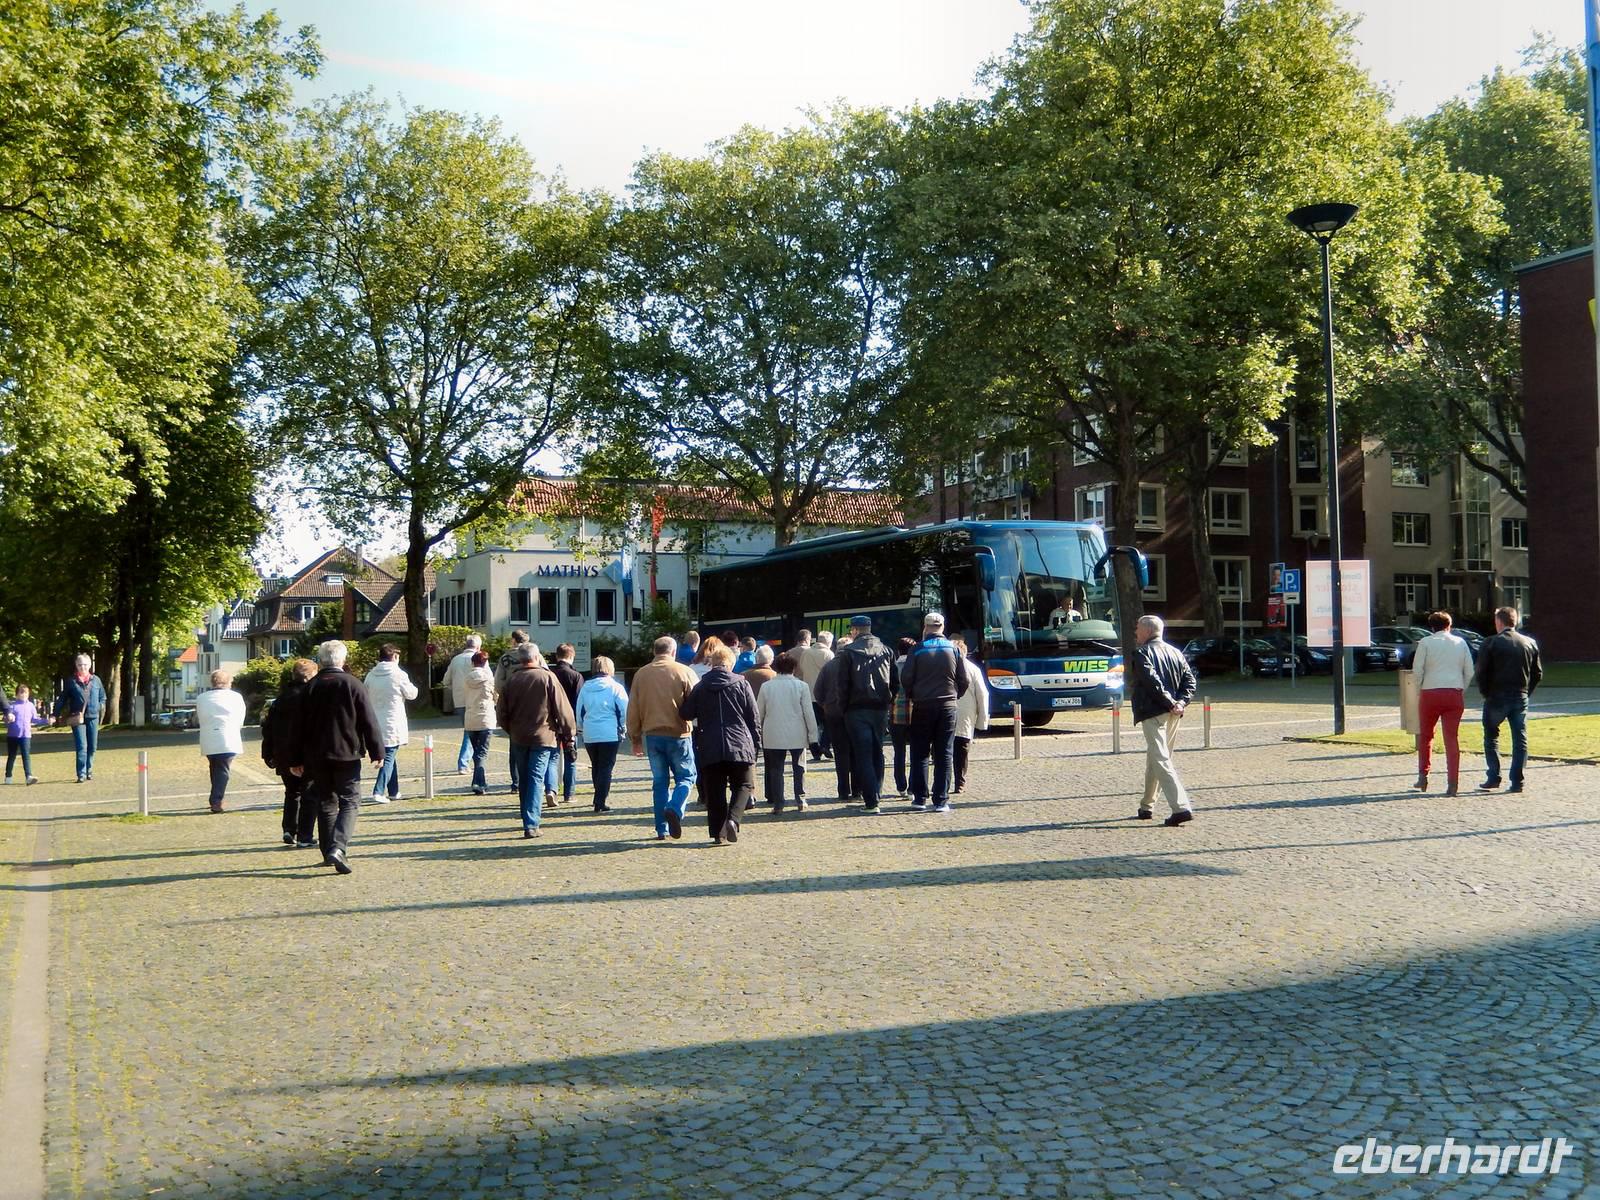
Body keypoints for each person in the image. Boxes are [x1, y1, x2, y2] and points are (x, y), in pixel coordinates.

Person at [288, 641, 384, 874]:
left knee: (326, 802)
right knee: (350, 800)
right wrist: (377, 750)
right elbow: (368, 719)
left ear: (321, 660)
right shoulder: (352, 684)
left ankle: (328, 852)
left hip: (316, 754)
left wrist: (295, 758)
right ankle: (338, 847)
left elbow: (297, 726)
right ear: (342, 659)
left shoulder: (310, 687)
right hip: (347, 752)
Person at [680, 643, 761, 844]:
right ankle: (733, 820)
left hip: (710, 744)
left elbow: (686, 713)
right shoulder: (741, 684)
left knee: (714, 790)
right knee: (744, 784)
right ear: (731, 664)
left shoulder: (701, 687)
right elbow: (753, 717)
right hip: (739, 743)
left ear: (712, 664)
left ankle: (718, 833)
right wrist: (756, 745)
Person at [496, 643, 575, 838]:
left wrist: (511, 730)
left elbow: (501, 713)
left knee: (525, 779)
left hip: (519, 737)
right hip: (544, 736)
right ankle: (531, 823)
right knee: (535, 778)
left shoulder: (512, 680)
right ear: (537, 657)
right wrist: (569, 734)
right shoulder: (547, 677)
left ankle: (527, 818)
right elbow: (563, 710)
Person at [626, 636, 700, 840]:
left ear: (654, 651)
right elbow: (697, 702)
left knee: (659, 782)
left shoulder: (641, 674)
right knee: (686, 777)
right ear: (673, 652)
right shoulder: (684, 672)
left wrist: (635, 738)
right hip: (679, 734)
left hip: (653, 735)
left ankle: (661, 828)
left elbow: (633, 709)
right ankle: (674, 808)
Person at [1130, 615, 1197, 825]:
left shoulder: (1142, 653)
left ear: (1147, 631)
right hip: (1173, 713)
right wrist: (1180, 703)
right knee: (1156, 758)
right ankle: (1146, 806)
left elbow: (1152, 682)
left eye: (1138, 628)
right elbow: (1190, 681)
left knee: (1160, 760)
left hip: (1153, 712)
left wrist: (1171, 702)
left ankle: (1181, 807)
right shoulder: (1176, 652)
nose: (1135, 632)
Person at [900, 613, 968, 813]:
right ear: (942, 627)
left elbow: (906, 678)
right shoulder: (954, 649)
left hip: (922, 705)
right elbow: (964, 679)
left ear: (925, 627)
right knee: (944, 752)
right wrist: (955, 695)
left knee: (920, 752)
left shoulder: (917, 649)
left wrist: (913, 695)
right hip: (947, 706)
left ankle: (920, 798)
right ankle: (941, 800)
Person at [1475, 605, 1543, 795]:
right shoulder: (1530, 643)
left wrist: (1486, 693)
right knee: (1520, 738)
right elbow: (1537, 673)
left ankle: (1494, 776)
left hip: (1496, 695)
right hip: (1520, 695)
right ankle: (1517, 781)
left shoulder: (1490, 643)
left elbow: (1481, 672)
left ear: (1498, 621)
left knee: (1491, 736)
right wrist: (1526, 692)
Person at [835, 615, 896, 813]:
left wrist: (843, 708)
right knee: (878, 751)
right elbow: (895, 682)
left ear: (854, 630)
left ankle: (871, 800)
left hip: (856, 709)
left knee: (863, 754)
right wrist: (888, 701)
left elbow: (842, 685)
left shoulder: (848, 653)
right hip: (880, 708)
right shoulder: (886, 650)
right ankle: (876, 791)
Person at [1409, 611, 1473, 796]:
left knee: (1426, 736)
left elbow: (1417, 670)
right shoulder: (1460, 643)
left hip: (1430, 692)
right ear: (1449, 625)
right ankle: (1453, 782)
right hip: (1454, 692)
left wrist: (1421, 688)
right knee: (1451, 738)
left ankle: (1423, 775)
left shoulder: (1425, 643)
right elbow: (1469, 670)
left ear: (1431, 627)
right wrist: (1461, 688)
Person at [261, 658, 318, 846]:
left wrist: (268, 753)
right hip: (306, 752)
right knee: (309, 793)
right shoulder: (311, 697)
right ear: (311, 675)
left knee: (292, 792)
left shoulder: (281, 698)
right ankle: (304, 835)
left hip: (283, 753)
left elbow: (268, 728)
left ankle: (288, 828)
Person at [755, 651, 817, 813]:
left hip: (773, 733)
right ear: (794, 668)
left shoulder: (766, 687)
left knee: (776, 770)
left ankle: (778, 803)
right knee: (799, 767)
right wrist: (813, 737)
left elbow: (759, 713)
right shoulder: (802, 686)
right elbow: (809, 714)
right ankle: (800, 798)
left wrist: (757, 734)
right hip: (797, 732)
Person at [364, 644, 418, 803]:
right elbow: (411, 694)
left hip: (375, 720)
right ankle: (378, 791)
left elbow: (365, 694)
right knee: (389, 756)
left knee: (390, 756)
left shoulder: (371, 675)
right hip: (393, 721)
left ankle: (394, 791)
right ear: (394, 657)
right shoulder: (399, 674)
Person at [576, 657, 629, 812]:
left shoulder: (585, 687)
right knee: (606, 767)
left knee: (596, 765)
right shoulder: (616, 687)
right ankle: (600, 801)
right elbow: (624, 710)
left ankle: (597, 796)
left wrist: (581, 727)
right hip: (610, 732)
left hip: (590, 732)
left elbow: (579, 710)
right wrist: (623, 726)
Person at [196, 668, 246, 813]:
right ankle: (216, 801)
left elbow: (200, 717)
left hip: (208, 738)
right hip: (228, 737)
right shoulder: (235, 697)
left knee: (215, 767)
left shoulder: (202, 698)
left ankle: (216, 798)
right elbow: (240, 718)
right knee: (223, 770)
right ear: (229, 682)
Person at [54, 654, 107, 783]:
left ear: (90, 665)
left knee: (92, 746)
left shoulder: (96, 680)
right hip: (77, 718)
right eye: (79, 665)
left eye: (85, 664)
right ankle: (81, 773)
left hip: (93, 717)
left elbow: (103, 697)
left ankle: (89, 769)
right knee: (82, 746)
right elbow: (62, 698)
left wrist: (99, 706)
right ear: (76, 666)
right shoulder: (71, 681)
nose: (82, 667)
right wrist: (55, 714)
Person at [812, 649, 856, 802]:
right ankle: (857, 789)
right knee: (855, 751)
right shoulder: (854, 664)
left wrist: (825, 705)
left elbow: (817, 691)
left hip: (833, 713)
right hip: (853, 712)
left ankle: (843, 790)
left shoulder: (828, 666)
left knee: (840, 753)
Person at [951, 636, 990, 794]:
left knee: (943, 751)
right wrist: (982, 720)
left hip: (945, 714)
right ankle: (959, 782)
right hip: (965, 717)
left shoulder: (944, 667)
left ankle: (943, 783)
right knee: (962, 751)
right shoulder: (973, 669)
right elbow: (982, 695)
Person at [547, 644, 584, 807]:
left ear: (557, 656)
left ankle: (551, 790)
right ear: (572, 656)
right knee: (571, 758)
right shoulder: (576, 676)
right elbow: (579, 702)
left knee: (551, 758)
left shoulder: (549, 674)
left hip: (551, 722)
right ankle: (569, 794)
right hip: (570, 722)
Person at [443, 634, 483, 774]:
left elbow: (446, 681)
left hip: (460, 701)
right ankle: (464, 762)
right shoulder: (479, 659)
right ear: (478, 646)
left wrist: (455, 689)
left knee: (469, 730)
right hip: (476, 699)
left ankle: (468, 762)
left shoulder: (456, 660)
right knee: (472, 731)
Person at [793, 629, 834, 761]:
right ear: (829, 642)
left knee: (812, 725)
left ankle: (815, 751)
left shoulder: (806, 653)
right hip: (825, 695)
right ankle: (825, 744)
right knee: (829, 722)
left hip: (809, 693)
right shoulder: (829, 654)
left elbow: (802, 669)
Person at [463, 650, 498, 795]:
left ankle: (477, 782)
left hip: (470, 718)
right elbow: (496, 696)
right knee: (482, 753)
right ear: (485, 663)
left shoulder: (466, 678)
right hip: (486, 718)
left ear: (472, 663)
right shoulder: (489, 679)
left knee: (477, 752)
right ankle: (479, 784)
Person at [4, 684, 48, 785]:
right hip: (13, 736)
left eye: (26, 693)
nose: (24, 695)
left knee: (26, 756)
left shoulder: (31, 706)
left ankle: (29, 776)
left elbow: (34, 719)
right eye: (21, 693)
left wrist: (46, 721)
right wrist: (8, 718)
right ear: (17, 694)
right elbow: (6, 719)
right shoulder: (12, 706)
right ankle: (8, 776)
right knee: (12, 756)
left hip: (26, 735)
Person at [889, 637, 916, 798]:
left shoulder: (891, 667)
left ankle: (901, 786)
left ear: (898, 651)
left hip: (895, 714)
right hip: (915, 714)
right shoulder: (917, 667)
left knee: (899, 752)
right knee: (916, 752)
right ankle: (913, 787)